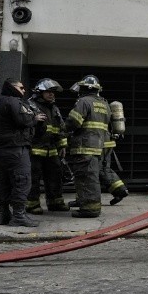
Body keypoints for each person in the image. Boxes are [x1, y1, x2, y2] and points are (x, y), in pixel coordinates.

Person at [0, 78, 45, 227]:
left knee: (2, 181)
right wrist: (35, 118)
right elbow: (23, 121)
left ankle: (3, 215)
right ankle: (18, 216)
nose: (24, 90)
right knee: (22, 180)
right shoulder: (14, 102)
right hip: (15, 148)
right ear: (12, 87)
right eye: (21, 87)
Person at [65, 75, 111, 218]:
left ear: (84, 88)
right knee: (89, 177)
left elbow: (73, 122)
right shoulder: (104, 104)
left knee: (86, 178)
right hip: (98, 147)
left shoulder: (84, 102)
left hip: (84, 147)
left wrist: (63, 129)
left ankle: (90, 209)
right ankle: (84, 202)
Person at [26, 78, 69, 215]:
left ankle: (55, 202)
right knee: (34, 178)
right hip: (35, 150)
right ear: (39, 92)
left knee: (55, 176)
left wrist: (62, 145)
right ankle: (32, 205)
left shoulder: (54, 108)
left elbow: (60, 127)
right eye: (48, 92)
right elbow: (23, 125)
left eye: (53, 92)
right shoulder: (30, 106)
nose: (52, 95)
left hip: (52, 150)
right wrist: (34, 120)